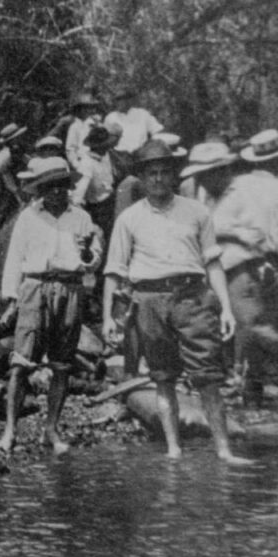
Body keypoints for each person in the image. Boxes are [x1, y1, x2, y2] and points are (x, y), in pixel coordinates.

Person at [103, 140, 251, 464]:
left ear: (174, 175)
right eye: (151, 173)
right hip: (149, 301)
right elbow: (114, 273)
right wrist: (107, 319)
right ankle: (173, 450)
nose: (157, 179)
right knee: (163, 378)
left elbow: (213, 263)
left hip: (192, 298)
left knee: (208, 377)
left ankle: (224, 450)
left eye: (163, 172)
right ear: (141, 178)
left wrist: (226, 307)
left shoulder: (196, 212)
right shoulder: (128, 219)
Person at [0, 157, 102, 454]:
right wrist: (11, 300)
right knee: (21, 364)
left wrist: (89, 254)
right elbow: (14, 259)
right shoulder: (29, 217)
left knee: (62, 364)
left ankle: (51, 428)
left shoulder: (80, 217)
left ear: (68, 188)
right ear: (40, 190)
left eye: (61, 186)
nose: (56, 192)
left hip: (69, 287)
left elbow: (93, 260)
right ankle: (10, 431)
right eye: (49, 187)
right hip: (35, 287)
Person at [190, 133, 278, 406]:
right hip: (217, 271)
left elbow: (257, 234)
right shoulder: (209, 195)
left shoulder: (244, 191)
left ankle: (250, 383)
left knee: (253, 328)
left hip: (242, 268)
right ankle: (246, 386)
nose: (202, 179)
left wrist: (224, 231)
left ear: (221, 171)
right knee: (225, 328)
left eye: (207, 173)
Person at [73, 122, 123, 240]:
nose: (105, 147)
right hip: (99, 210)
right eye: (102, 145)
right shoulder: (87, 164)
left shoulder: (106, 156)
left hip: (112, 201)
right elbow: (78, 196)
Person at [105, 89, 163, 153]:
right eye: (116, 100)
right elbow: (105, 139)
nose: (118, 102)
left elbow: (157, 131)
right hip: (119, 157)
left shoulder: (142, 113)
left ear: (129, 100)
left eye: (121, 99)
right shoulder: (110, 117)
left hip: (142, 154)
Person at [65, 91, 101, 169]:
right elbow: (70, 149)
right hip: (82, 161)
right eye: (85, 108)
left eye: (91, 108)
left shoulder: (96, 123)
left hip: (98, 160)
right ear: (79, 109)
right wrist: (76, 164)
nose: (88, 110)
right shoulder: (75, 127)